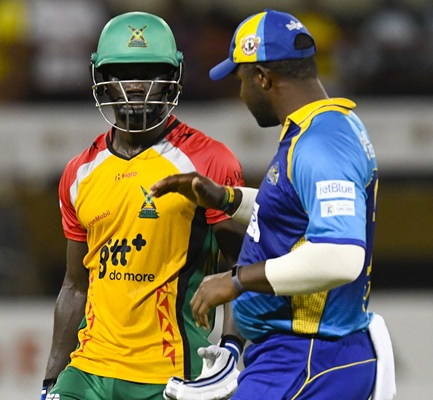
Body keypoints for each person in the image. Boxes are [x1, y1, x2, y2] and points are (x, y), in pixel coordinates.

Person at [152, 9, 396, 400]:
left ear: (263, 78)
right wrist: (225, 199)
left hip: (308, 356)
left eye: (241, 78)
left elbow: (341, 256)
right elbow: (294, 216)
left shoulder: (321, 144)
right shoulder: (322, 127)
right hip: (299, 356)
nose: (241, 92)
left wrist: (234, 281)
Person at [41, 11, 247, 400]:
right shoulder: (79, 172)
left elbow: (240, 268)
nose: (136, 86)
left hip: (170, 373)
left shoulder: (211, 162)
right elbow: (74, 285)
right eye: (124, 72)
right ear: (102, 80)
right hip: (88, 370)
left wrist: (232, 348)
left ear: (173, 78)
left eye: (150, 71)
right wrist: (51, 379)